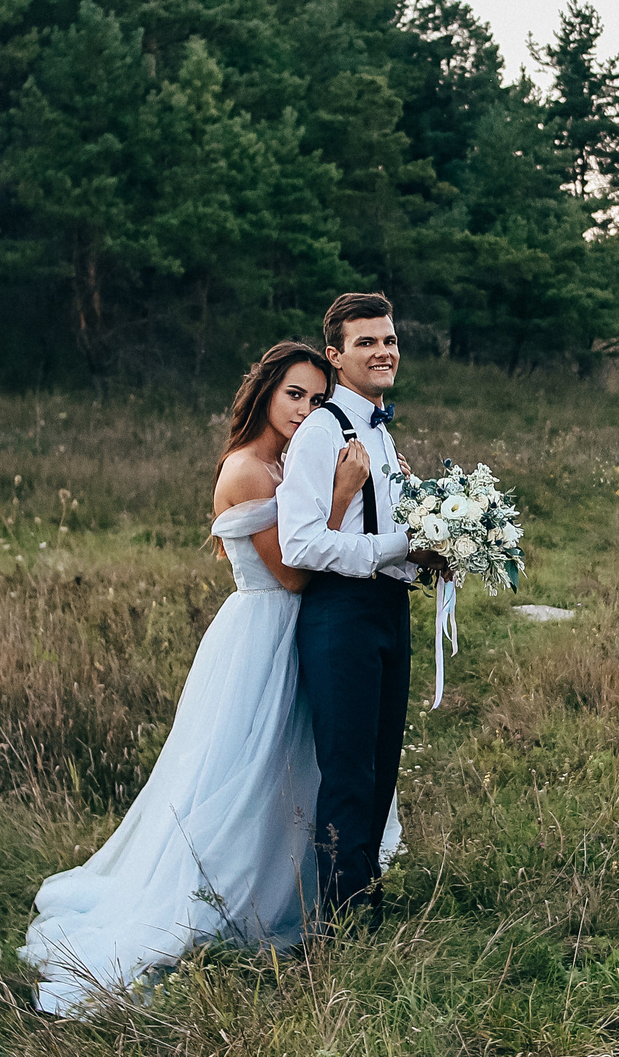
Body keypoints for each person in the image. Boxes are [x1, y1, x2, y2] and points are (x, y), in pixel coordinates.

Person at [20, 341, 383, 1011]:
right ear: (266, 394)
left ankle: (292, 887)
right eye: (293, 395)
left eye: (316, 397)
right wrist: (339, 495)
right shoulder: (248, 469)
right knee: (239, 772)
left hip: (304, 629)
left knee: (294, 766)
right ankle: (215, 902)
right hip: (263, 633)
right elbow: (295, 571)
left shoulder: (291, 456)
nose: (305, 410)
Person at [280, 291, 449, 930]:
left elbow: (377, 526)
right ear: (336, 355)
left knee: (381, 761)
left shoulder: (381, 433)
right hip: (339, 615)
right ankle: (342, 917)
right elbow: (300, 542)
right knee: (348, 767)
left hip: (386, 609)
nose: (384, 352)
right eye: (367, 343)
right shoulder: (321, 432)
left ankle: (365, 890)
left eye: (390, 341)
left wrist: (430, 554)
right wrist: (397, 547)